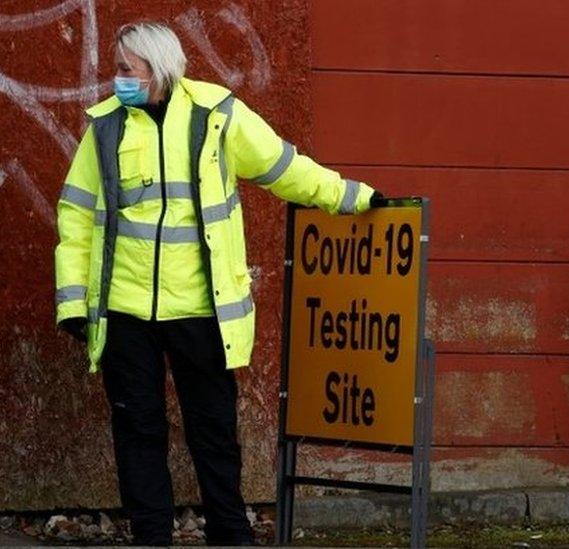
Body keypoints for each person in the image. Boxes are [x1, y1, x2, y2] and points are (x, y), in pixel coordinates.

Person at [53, 21, 382, 546]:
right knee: (137, 432)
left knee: (213, 431)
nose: (116, 79)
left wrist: (352, 197)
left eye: (124, 69)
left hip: (201, 308)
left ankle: (230, 534)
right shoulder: (106, 128)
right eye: (116, 68)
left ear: (157, 69)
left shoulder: (216, 116)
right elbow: (76, 213)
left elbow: (283, 167)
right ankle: (151, 537)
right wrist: (73, 301)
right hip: (125, 311)